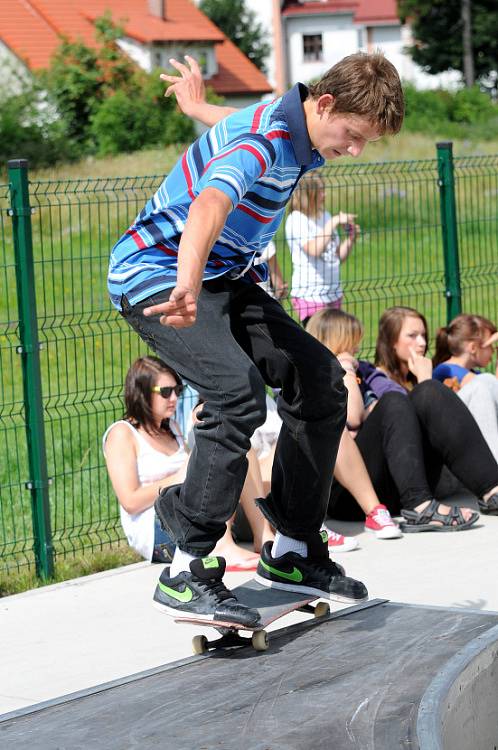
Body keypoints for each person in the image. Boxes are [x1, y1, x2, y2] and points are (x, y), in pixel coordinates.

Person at [108, 51, 404, 626]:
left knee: (321, 384)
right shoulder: (268, 142)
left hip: (221, 277)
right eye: (353, 135)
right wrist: (188, 283)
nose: (355, 150)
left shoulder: (295, 127)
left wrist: (197, 107)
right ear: (325, 105)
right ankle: (186, 565)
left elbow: (235, 119)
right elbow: (210, 203)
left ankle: (292, 549)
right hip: (158, 275)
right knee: (235, 394)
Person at [308, 307, 498, 528]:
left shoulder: (367, 372)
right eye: (349, 344)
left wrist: (424, 380)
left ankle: (492, 490)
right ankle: (419, 506)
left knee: (428, 392)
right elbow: (353, 418)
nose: (356, 349)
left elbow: (407, 408)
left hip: (396, 483)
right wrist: (345, 370)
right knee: (392, 402)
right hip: (347, 497)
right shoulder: (311, 378)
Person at [103, 356, 269, 569]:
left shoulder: (171, 427)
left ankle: (264, 537)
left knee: (239, 446)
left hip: (185, 512)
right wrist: (179, 476)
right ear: (141, 393)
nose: (173, 398)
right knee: (218, 458)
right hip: (156, 527)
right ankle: (222, 546)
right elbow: (130, 501)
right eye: (165, 392)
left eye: (177, 391)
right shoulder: (122, 434)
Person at [363, 305, 498, 520]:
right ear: (391, 341)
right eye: (412, 336)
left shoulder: (415, 376)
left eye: (424, 335)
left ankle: (492, 490)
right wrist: (425, 381)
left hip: (428, 476)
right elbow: (398, 433)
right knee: (422, 393)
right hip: (384, 479)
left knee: (466, 385)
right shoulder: (376, 380)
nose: (422, 343)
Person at [285, 173, 359, 325]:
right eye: (320, 191)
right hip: (311, 296)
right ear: (307, 194)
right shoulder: (296, 220)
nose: (324, 194)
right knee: (319, 345)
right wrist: (333, 223)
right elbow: (313, 250)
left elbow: (337, 256)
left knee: (335, 344)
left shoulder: (324, 215)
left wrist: (351, 238)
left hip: (333, 293)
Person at [432, 313, 498, 464]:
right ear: (473, 348)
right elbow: (487, 385)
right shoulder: (445, 370)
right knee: (486, 380)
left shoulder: (475, 375)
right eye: (490, 346)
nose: (493, 351)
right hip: (453, 440)